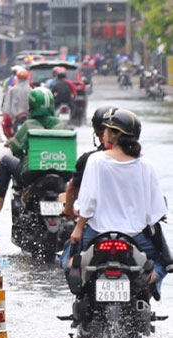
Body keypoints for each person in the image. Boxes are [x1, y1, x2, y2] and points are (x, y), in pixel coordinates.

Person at [68, 109, 170, 299]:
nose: (103, 132)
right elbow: (154, 211)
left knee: (68, 258)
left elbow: (88, 203)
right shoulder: (145, 164)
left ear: (114, 135)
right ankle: (147, 282)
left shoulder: (96, 160)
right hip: (134, 235)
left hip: (96, 232)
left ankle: (82, 296)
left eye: (106, 129)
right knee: (163, 263)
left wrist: (78, 229)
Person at [0, 88, 66, 212]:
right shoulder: (60, 125)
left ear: (31, 105)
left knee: (6, 161)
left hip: (32, 174)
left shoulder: (28, 125)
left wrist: (12, 144)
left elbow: (16, 148)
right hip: (60, 173)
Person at [63, 106, 117, 220]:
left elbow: (74, 188)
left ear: (97, 133)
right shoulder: (140, 161)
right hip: (133, 230)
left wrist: (68, 210)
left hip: (96, 226)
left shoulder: (90, 159)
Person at [1, 68, 32, 137]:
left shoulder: (12, 90)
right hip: (22, 118)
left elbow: (7, 106)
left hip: (17, 117)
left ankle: (9, 140)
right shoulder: (31, 90)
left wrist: (6, 113)